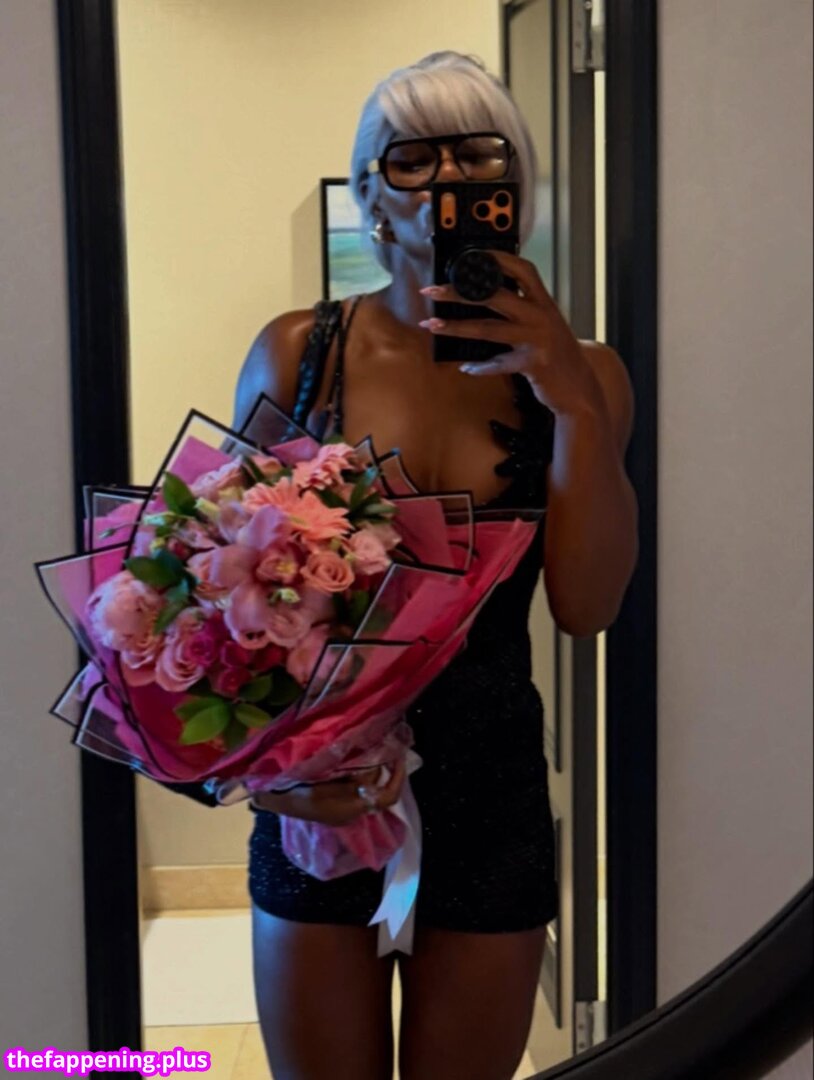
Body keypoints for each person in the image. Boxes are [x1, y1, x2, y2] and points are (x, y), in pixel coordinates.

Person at [228, 51, 638, 1080]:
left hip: (491, 784)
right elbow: (223, 590)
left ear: (515, 189)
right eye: (412, 158)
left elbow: (588, 606)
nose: (448, 177)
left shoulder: (584, 374)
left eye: (477, 154)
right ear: (370, 193)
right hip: (321, 785)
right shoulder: (298, 353)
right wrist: (266, 776)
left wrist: (572, 405)